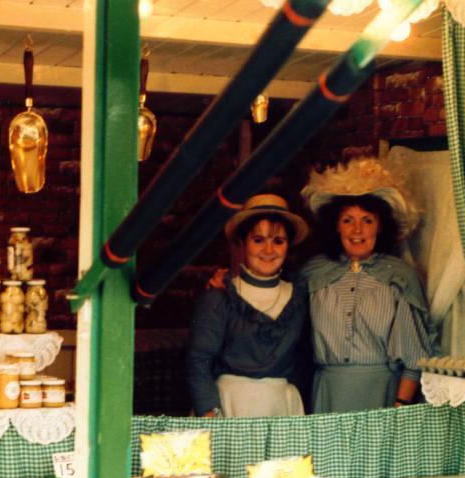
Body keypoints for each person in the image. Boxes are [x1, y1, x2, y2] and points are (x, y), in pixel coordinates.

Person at [300, 158, 433, 414]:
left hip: (383, 396)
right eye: (348, 220)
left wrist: (399, 406)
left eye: (367, 220)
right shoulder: (311, 274)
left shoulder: (400, 277)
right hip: (326, 393)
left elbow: (415, 358)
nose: (357, 229)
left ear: (381, 226)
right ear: (336, 226)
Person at [186, 194, 310, 418]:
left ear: (288, 246)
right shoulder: (220, 295)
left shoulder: (298, 296)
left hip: (281, 406)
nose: (268, 250)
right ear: (243, 243)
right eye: (258, 240)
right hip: (229, 405)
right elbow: (199, 360)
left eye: (278, 241)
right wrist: (210, 411)